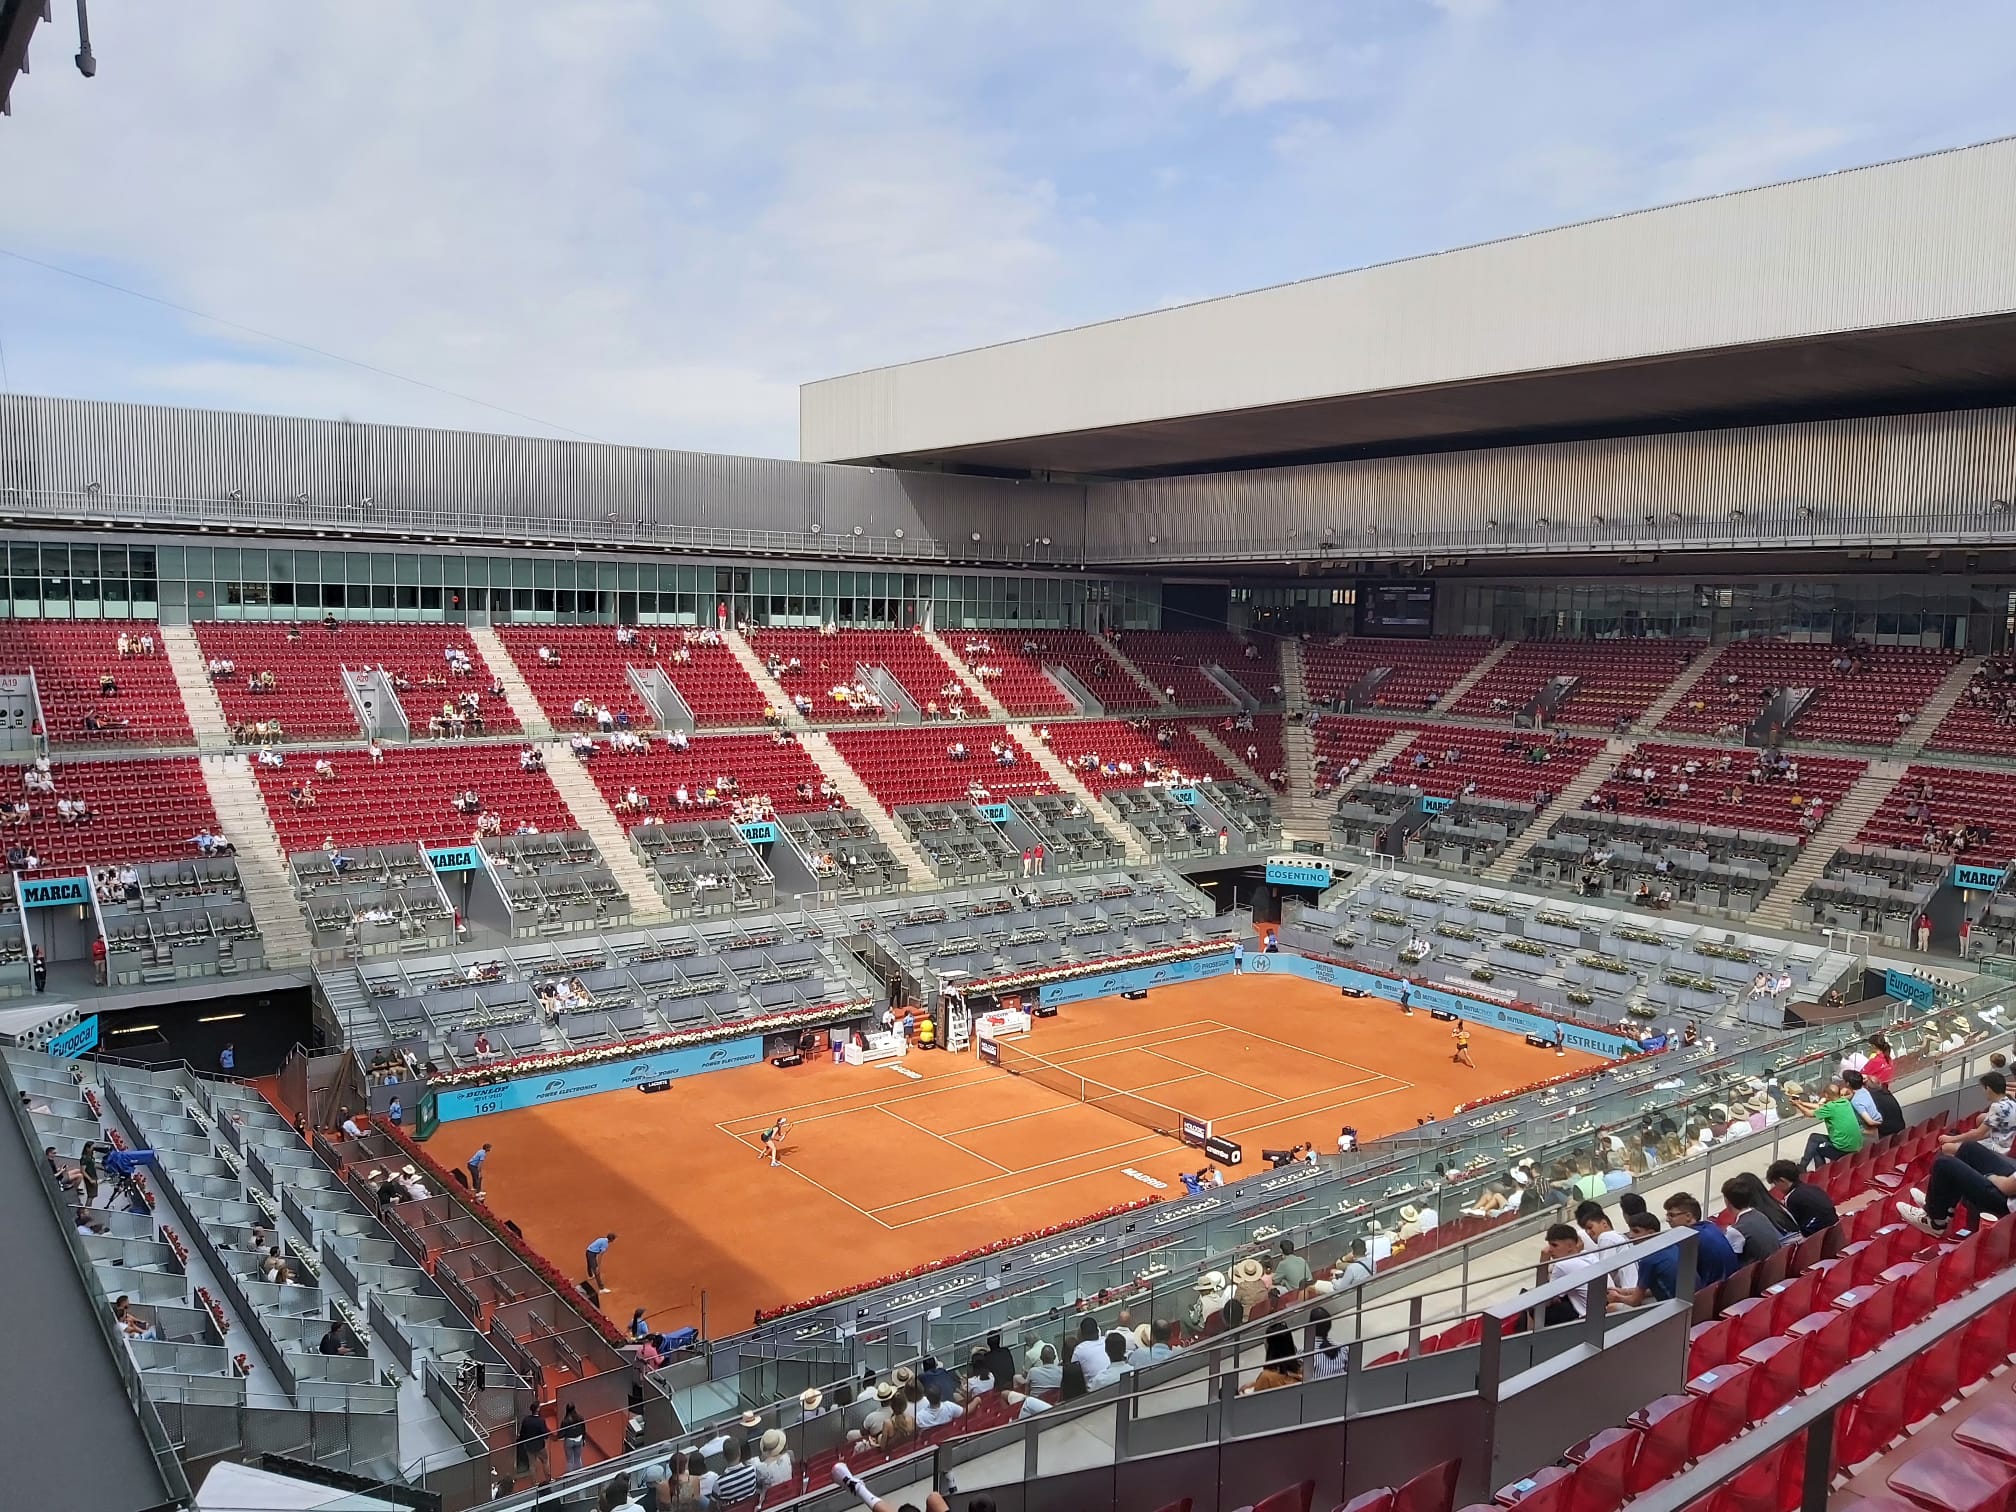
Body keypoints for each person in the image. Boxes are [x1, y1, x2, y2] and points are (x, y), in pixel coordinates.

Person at [1788, 1080, 1865, 1170]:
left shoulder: (1830, 1108)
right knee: (1815, 1138)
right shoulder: (1844, 1102)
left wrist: (1797, 1105)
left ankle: (1815, 1170)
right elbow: (1820, 1107)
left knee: (1815, 1146)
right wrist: (1801, 1103)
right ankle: (1803, 1166)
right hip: (1855, 1145)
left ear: (1826, 1095)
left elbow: (1809, 1114)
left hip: (1843, 1148)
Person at [1720, 1173, 1798, 1261]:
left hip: (1762, 1271)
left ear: (1727, 1201)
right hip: (1777, 1264)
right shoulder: (1760, 1215)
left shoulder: (1735, 1231)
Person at [1944, 1071, 2016, 1157]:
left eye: (1983, 1088)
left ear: (1988, 1089)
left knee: (1947, 1147)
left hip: (1999, 1150)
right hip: (2005, 1144)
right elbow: (1994, 1131)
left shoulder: (1997, 1107)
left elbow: (1978, 1134)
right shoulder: (2012, 1102)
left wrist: (1951, 1139)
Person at [1765, 1159, 1839, 1236]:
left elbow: (1794, 1226)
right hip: (1834, 1232)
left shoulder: (1792, 1198)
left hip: (1817, 1236)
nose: (1776, 1188)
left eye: (1775, 1183)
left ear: (1782, 1180)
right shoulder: (1813, 1188)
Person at [1244, 1324, 1303, 1392]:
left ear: (1270, 1347)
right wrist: (1255, 1383)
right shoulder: (1302, 1370)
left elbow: (1254, 1400)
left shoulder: (1266, 1377)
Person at [1306, 1306, 1348, 1379]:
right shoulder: (1343, 1348)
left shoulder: (1306, 1354)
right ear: (1329, 1326)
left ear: (1310, 1327)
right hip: (1341, 1388)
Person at [516, 1405, 553, 1487]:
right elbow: (544, 1433)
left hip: (529, 1446)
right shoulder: (541, 1420)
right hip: (539, 1446)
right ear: (537, 1409)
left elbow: (522, 1433)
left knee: (532, 1465)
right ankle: (548, 1479)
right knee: (545, 1461)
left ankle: (534, 1483)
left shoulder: (526, 1420)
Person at [559, 1403, 588, 1474]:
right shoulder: (580, 1417)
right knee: (578, 1458)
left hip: (569, 1441)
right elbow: (583, 1430)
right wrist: (583, 1439)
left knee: (570, 1460)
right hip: (579, 1439)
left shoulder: (565, 1421)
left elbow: (560, 1434)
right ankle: (580, 1474)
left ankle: (569, 1476)